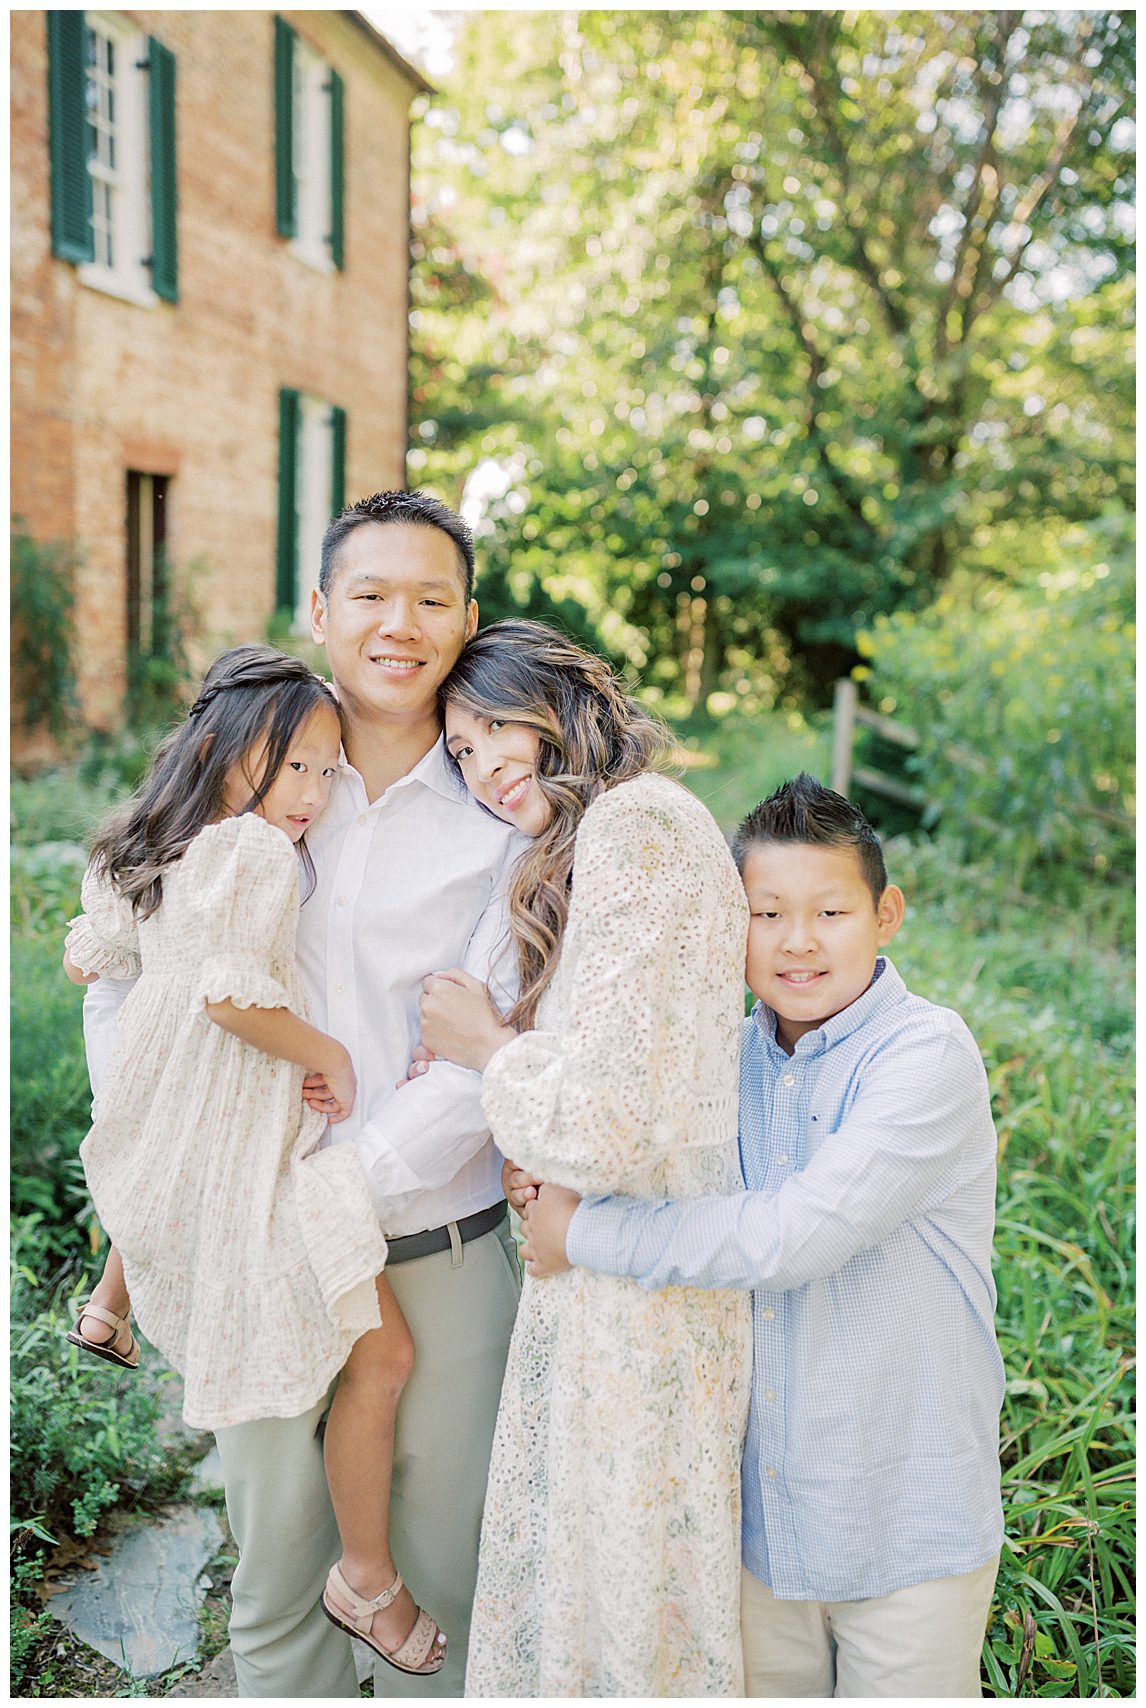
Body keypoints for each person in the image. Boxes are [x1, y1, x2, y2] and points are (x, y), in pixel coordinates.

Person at [79, 492, 524, 1698]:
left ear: (467, 619)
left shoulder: (504, 813)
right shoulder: (241, 783)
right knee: (277, 1585)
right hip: (245, 1245)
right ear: (321, 611)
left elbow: (497, 1036)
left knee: (444, 1576)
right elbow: (129, 982)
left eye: (432, 599)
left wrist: (332, 1182)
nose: (401, 623)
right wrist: (179, 1146)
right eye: (371, 594)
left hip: (436, 1239)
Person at [520, 773, 1006, 1699]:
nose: (797, 942)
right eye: (765, 912)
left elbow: (793, 1236)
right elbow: (627, 1145)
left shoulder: (926, 1056)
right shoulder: (725, 1058)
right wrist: (546, 1170)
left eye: (829, 911)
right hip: (756, 1532)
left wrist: (586, 1231)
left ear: (886, 912)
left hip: (906, 1525)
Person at [63, 643, 447, 1675]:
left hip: (167, 1097)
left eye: (330, 771)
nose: (315, 794)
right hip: (242, 1135)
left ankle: (112, 1303)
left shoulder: (162, 844)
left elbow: (89, 953)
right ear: (232, 751)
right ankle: (363, 1574)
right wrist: (326, 1052)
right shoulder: (258, 855)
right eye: (295, 768)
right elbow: (231, 998)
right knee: (385, 1353)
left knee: (160, 1183)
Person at [411, 619, 753, 1698]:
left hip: (639, 1286)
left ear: (558, 702)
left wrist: (488, 1053)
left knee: (624, 1610)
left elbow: (609, 1121)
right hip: (604, 1265)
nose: (483, 764)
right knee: (597, 1601)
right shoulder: (599, 837)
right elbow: (627, 1077)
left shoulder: (639, 824)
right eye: (459, 753)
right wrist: (533, 1134)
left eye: (493, 727)